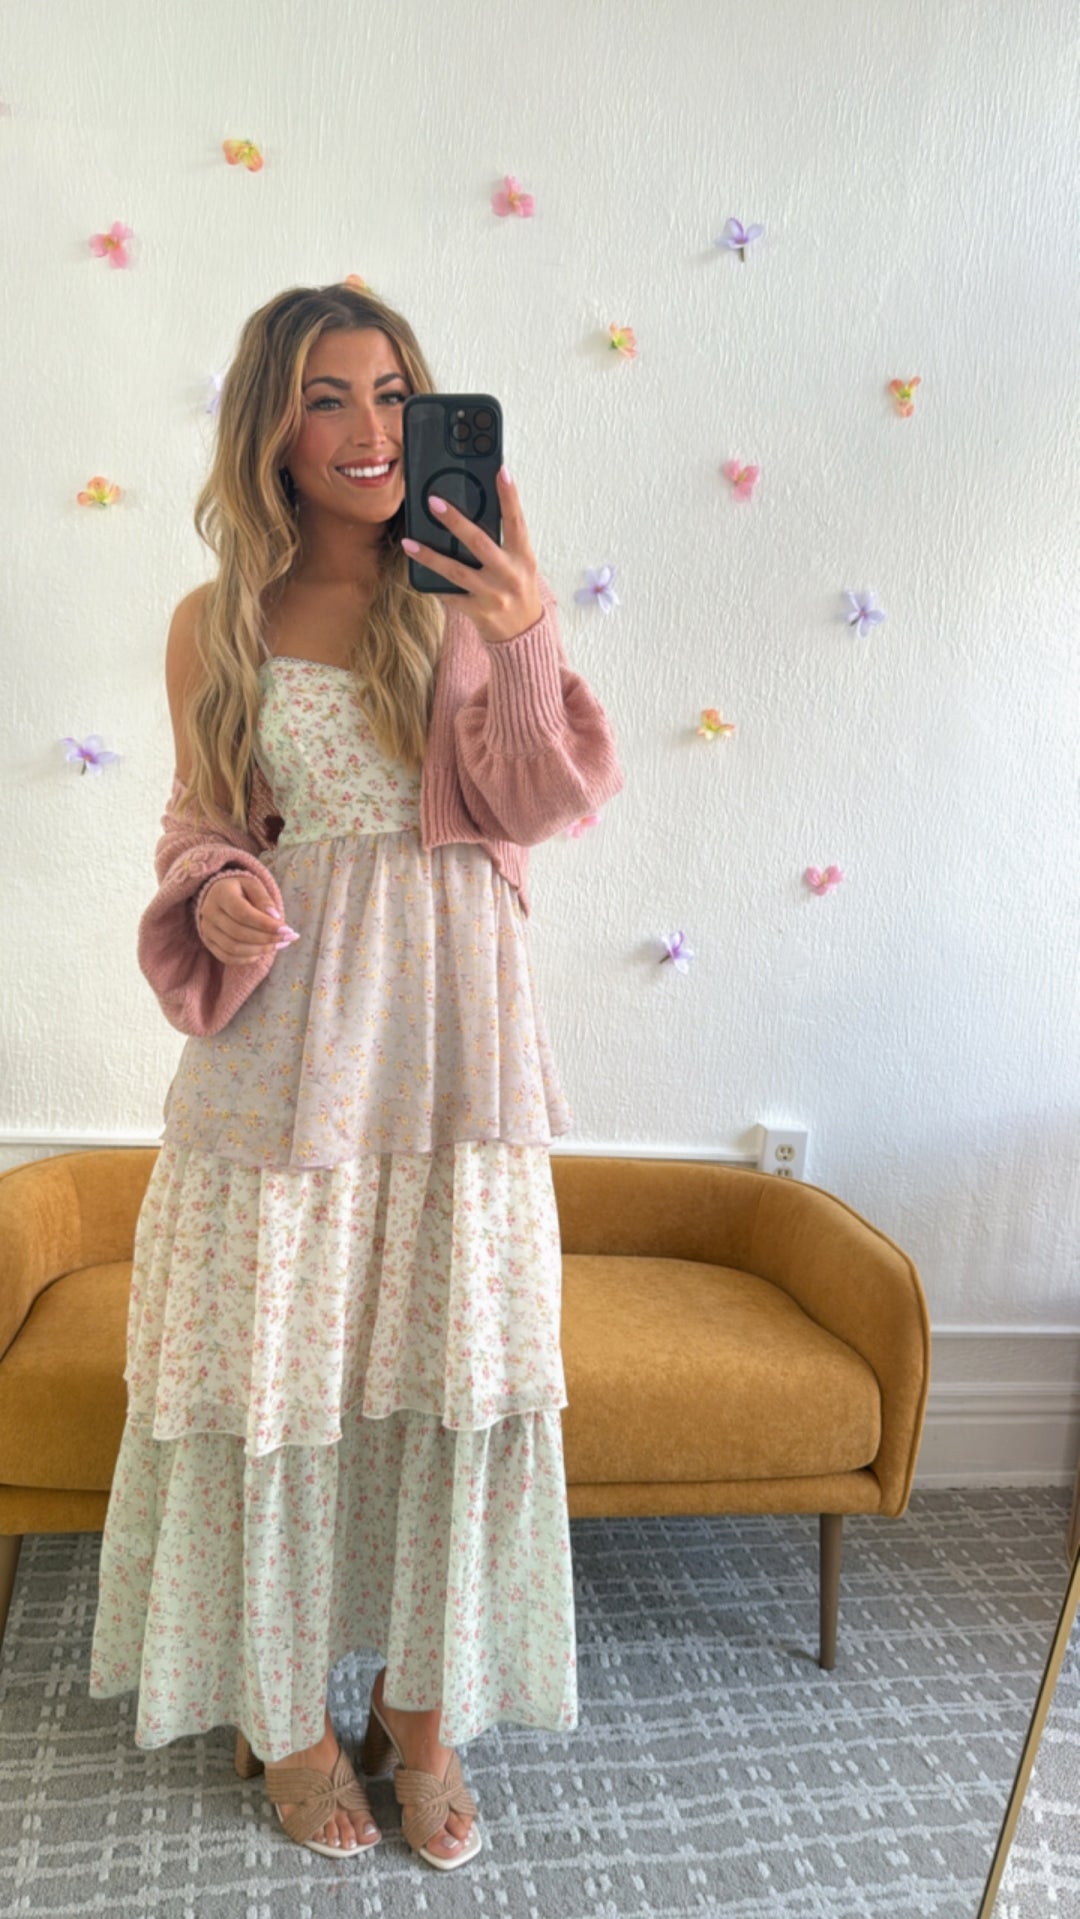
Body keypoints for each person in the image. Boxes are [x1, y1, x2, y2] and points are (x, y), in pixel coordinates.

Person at [88, 282, 623, 1871]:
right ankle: (291, 1723)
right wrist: (214, 890)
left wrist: (524, 634)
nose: (372, 430)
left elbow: (544, 801)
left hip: (458, 1044)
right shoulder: (215, 622)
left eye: (394, 393)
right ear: (273, 427)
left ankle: (423, 1717)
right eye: (328, 397)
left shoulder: (470, 598)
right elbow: (201, 823)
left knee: (459, 1379)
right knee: (279, 1383)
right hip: (290, 1055)